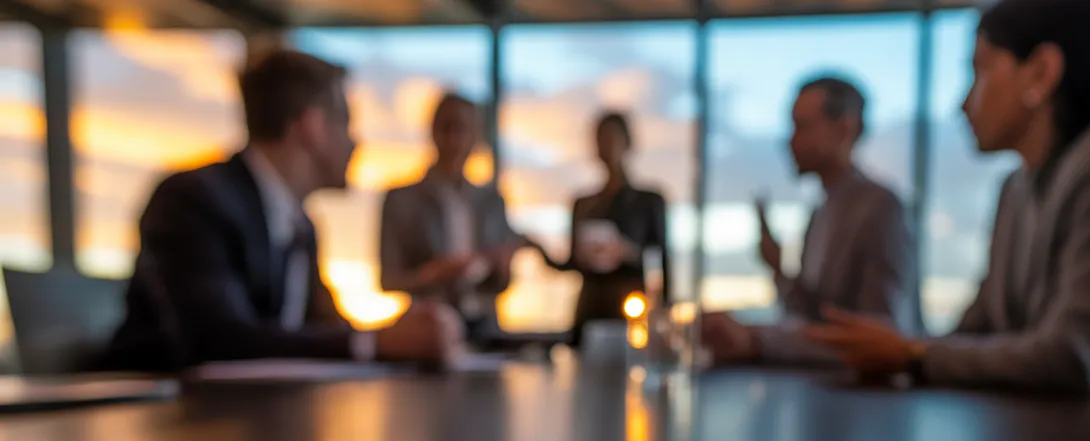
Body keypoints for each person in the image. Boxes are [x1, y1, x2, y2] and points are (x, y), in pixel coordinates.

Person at [807, 0, 1090, 401]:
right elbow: (978, 330)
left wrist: (914, 353)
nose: (964, 103)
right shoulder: (1016, 186)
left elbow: (1076, 356)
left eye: (980, 70)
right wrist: (895, 349)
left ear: (1040, 73)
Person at [103, 50, 459, 371]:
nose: (355, 142)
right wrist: (374, 342)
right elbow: (215, 340)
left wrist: (401, 331)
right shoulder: (192, 201)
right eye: (345, 123)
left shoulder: (300, 224)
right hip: (166, 427)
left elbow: (321, 329)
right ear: (312, 126)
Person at [701, 75, 923, 366]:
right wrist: (778, 268)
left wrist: (755, 339)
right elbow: (812, 316)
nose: (790, 140)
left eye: (802, 127)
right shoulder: (821, 210)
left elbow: (876, 336)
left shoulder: (880, 207)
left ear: (845, 128)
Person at [378, 93, 529, 343]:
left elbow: (502, 283)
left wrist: (501, 266)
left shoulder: (492, 201)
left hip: (487, 331)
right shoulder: (401, 199)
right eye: (447, 127)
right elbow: (388, 279)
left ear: (476, 136)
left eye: (463, 129)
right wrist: (435, 274)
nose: (454, 139)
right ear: (433, 131)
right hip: (428, 330)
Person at [541, 111, 667, 346]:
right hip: (589, 311)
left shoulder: (649, 201)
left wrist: (627, 251)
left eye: (612, 137)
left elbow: (661, 261)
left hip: (631, 311)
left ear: (628, 142)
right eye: (600, 139)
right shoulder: (583, 204)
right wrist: (539, 249)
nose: (606, 145)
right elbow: (571, 263)